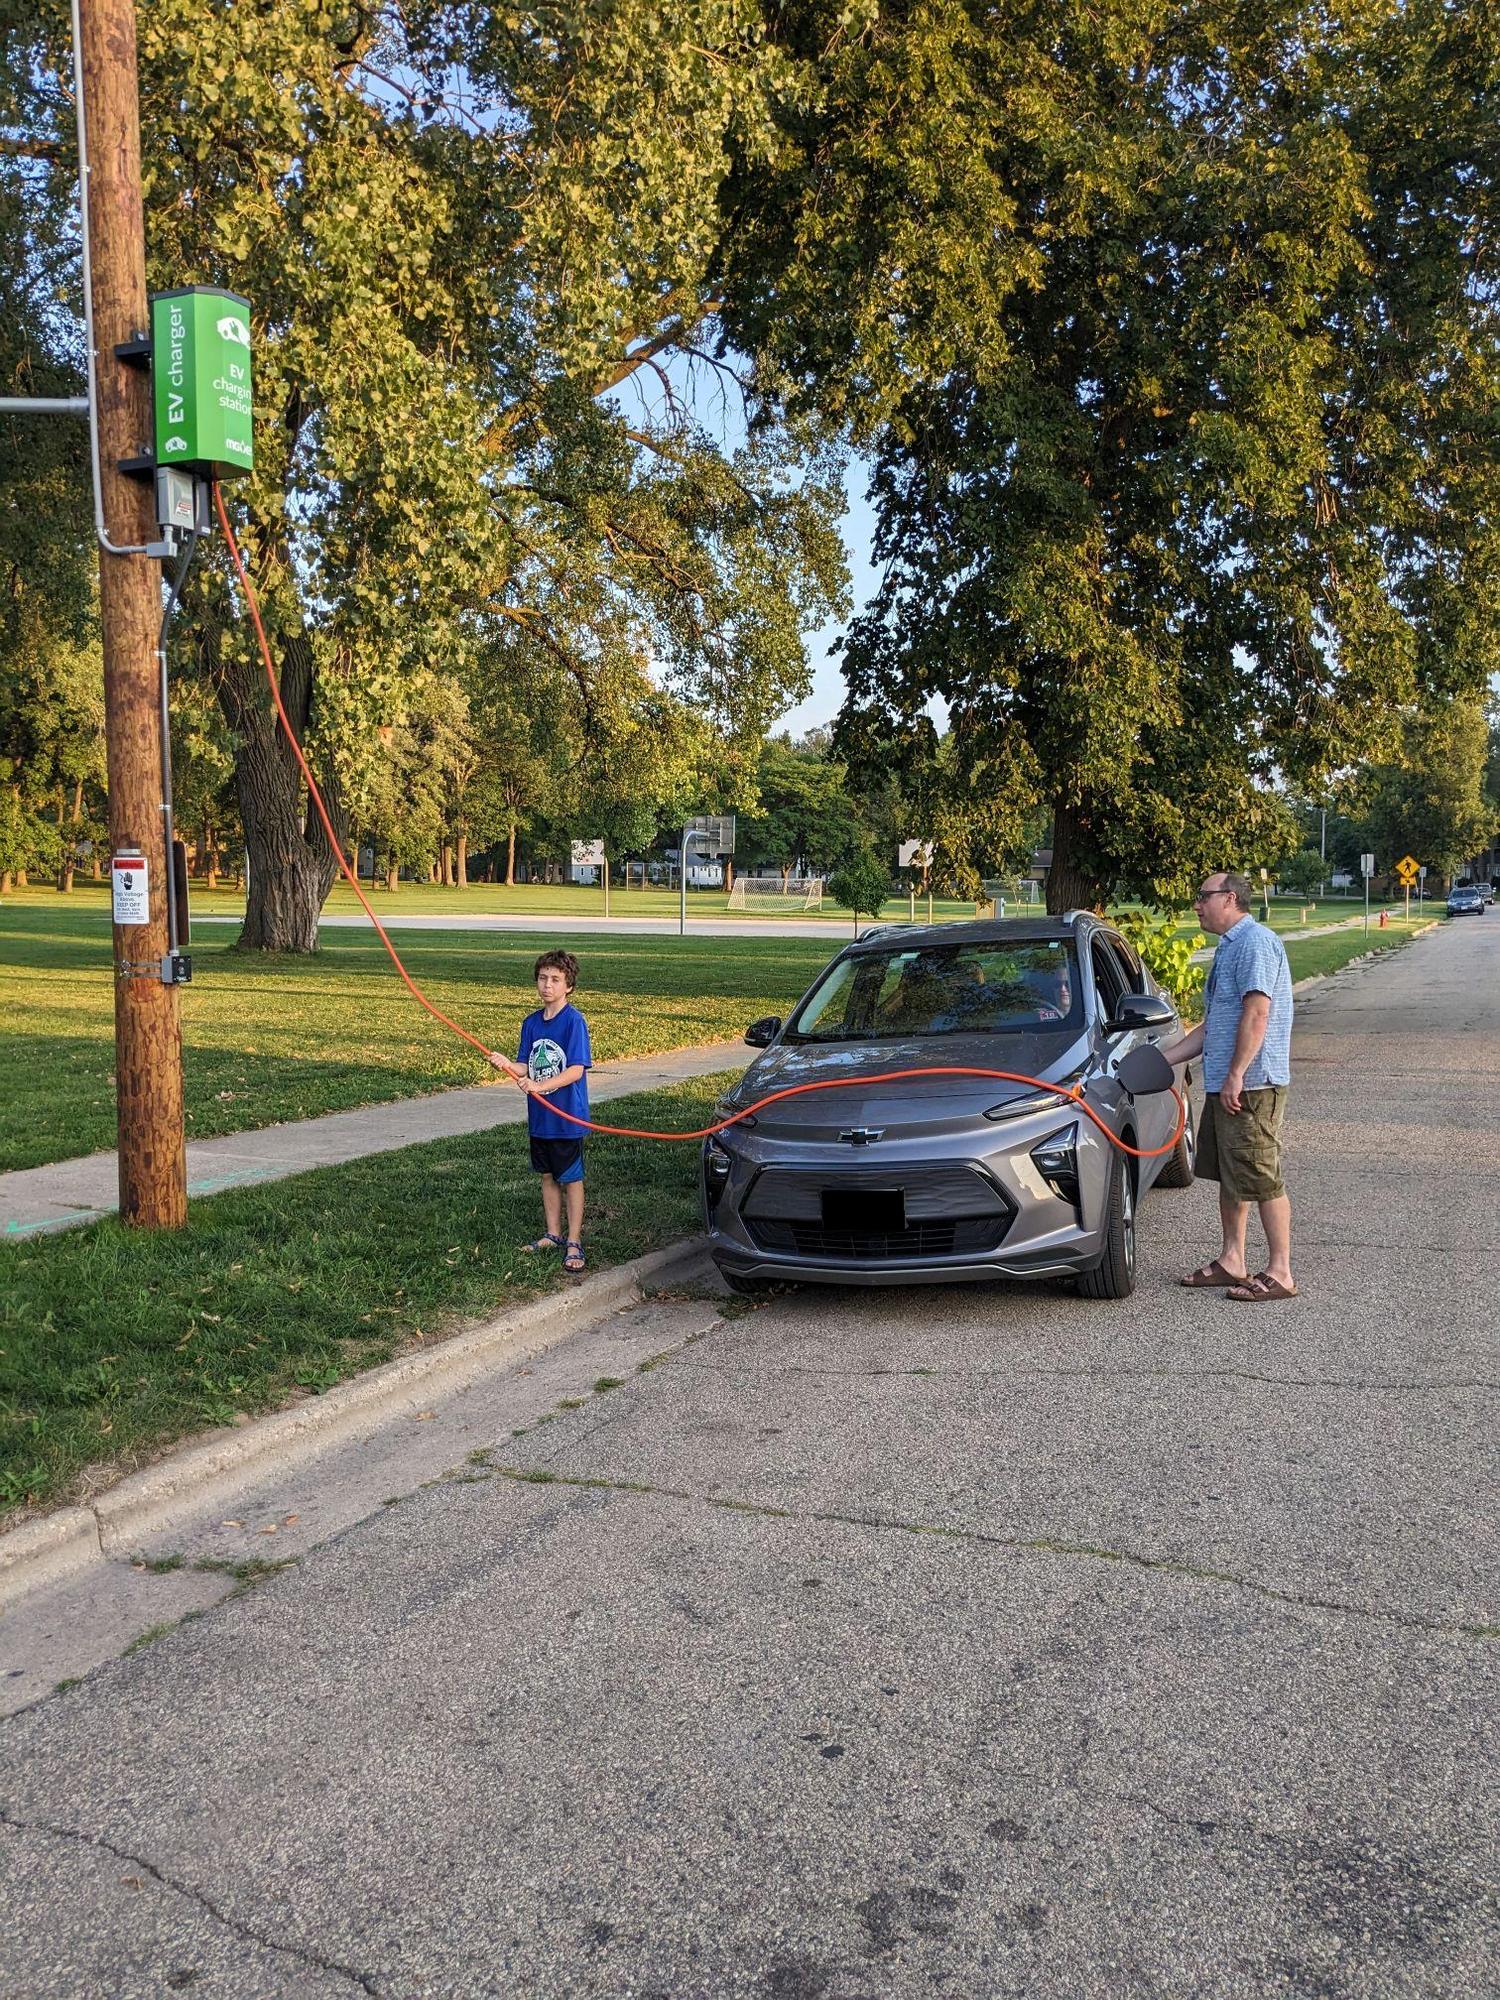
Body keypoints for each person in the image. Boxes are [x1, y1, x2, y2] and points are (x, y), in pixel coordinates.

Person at [1159, 872, 1297, 1301]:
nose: (1197, 905)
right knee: (1232, 1175)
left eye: (1204, 897)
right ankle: (1232, 1259)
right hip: (1228, 1083)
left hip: (1252, 1085)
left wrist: (1237, 1073)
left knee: (1261, 1173)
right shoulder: (1230, 946)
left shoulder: (1255, 943)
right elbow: (1214, 1025)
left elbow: (1257, 1013)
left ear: (1230, 898)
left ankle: (1281, 1272)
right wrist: (1166, 1060)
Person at [490, 949, 592, 1273]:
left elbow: (575, 1070)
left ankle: (574, 1241)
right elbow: (526, 1064)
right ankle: (553, 1234)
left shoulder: (573, 1022)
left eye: (555, 980)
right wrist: (508, 1064)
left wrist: (540, 1085)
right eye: (543, 978)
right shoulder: (531, 1023)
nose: (547, 985)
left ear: (568, 986)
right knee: (547, 1175)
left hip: (566, 1117)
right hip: (541, 1118)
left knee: (570, 1178)